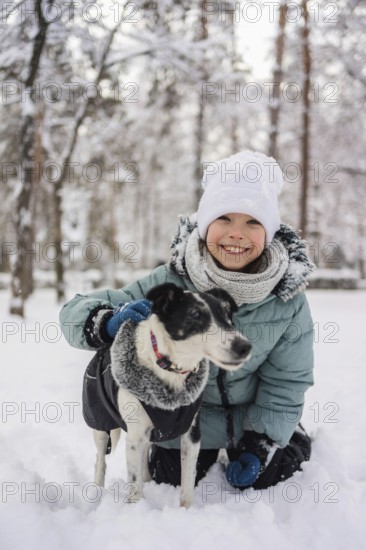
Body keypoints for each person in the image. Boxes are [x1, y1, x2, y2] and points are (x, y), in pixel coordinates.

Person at [60, 150, 314, 490]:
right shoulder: (172, 283)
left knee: (270, 476)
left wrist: (261, 443)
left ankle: (276, 440)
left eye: (253, 222)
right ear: (205, 222)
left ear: (269, 232)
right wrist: (104, 321)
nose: (237, 234)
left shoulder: (286, 301)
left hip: (251, 421)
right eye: (224, 218)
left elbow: (287, 381)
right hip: (181, 420)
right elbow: (76, 309)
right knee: (171, 480)